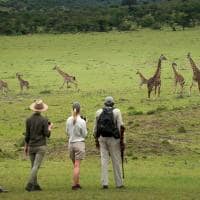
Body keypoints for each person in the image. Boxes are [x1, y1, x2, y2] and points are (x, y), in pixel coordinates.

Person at [93, 96, 124, 189]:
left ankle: (104, 183)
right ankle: (119, 183)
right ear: (113, 103)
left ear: (105, 103)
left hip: (102, 138)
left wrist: (96, 138)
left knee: (104, 160)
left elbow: (95, 128)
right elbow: (121, 127)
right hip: (114, 139)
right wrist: (122, 141)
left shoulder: (98, 112)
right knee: (116, 160)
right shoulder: (117, 112)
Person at [24, 99, 53, 192]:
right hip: (40, 146)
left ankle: (35, 185)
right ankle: (30, 183)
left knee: (33, 166)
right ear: (42, 109)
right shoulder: (44, 120)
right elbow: (47, 134)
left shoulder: (28, 120)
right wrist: (50, 128)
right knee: (36, 166)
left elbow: (27, 135)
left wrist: (26, 146)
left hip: (31, 145)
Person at [66, 102, 87, 190]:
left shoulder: (68, 120)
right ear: (80, 110)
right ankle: (74, 184)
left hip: (71, 144)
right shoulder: (82, 121)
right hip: (79, 144)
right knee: (77, 165)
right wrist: (86, 124)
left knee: (75, 165)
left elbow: (67, 132)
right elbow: (85, 134)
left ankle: (77, 183)